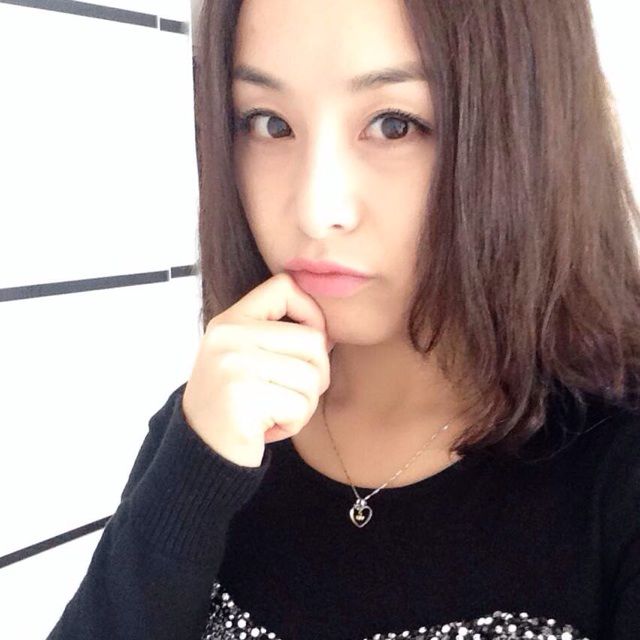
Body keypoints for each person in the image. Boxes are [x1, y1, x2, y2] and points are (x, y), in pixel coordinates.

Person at [48, 1, 640, 639]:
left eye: (393, 124)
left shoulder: (616, 466)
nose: (315, 208)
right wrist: (194, 474)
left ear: (529, 128)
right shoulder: (216, 426)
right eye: (270, 123)